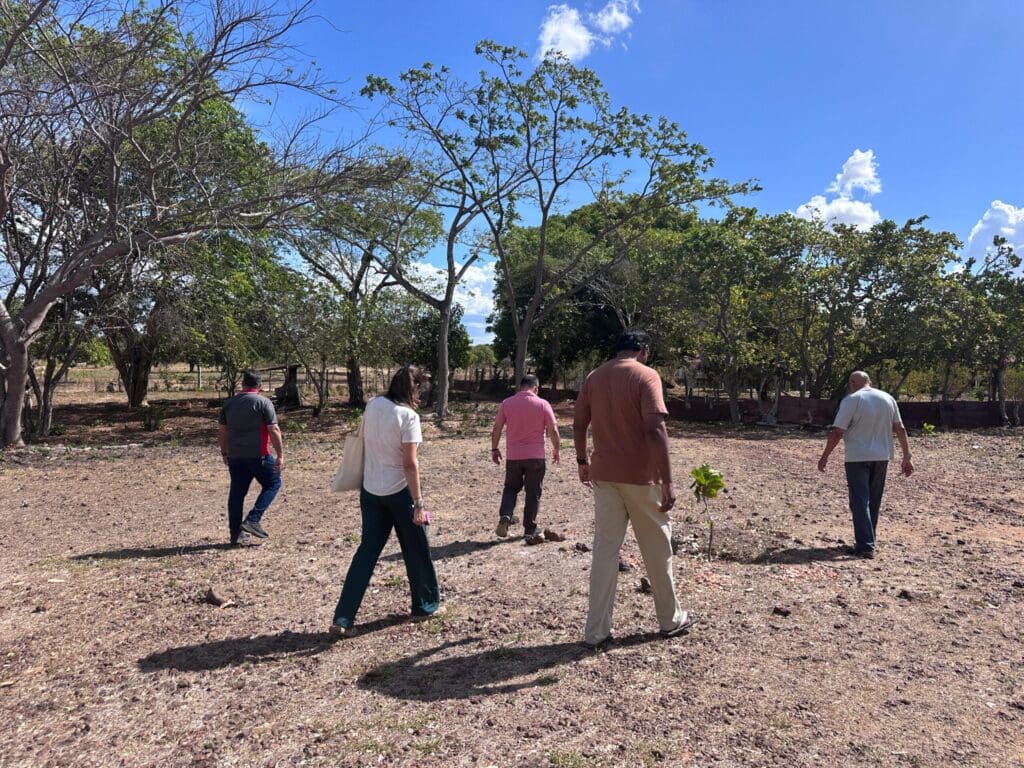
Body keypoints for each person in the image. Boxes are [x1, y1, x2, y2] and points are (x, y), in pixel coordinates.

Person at [573, 331, 698, 648]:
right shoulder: (646, 375)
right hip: (642, 478)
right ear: (642, 350)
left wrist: (581, 461)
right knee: (657, 550)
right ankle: (670, 619)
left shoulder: (594, 377)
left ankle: (596, 631)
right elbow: (655, 427)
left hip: (604, 475)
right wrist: (668, 480)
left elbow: (578, 422)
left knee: (605, 551)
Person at [330, 366, 439, 638]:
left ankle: (343, 617)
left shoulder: (374, 404)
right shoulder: (408, 417)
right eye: (420, 390)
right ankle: (424, 605)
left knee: (366, 553)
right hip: (399, 492)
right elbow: (410, 464)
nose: (421, 396)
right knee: (417, 549)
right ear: (412, 389)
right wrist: (419, 503)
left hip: (370, 490)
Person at [817, 371, 914, 558]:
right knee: (873, 500)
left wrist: (825, 456)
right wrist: (907, 456)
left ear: (852, 383)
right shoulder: (888, 398)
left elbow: (837, 432)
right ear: (869, 381)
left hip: (857, 457)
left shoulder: (851, 400)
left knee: (860, 501)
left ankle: (865, 546)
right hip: (882, 456)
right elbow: (900, 428)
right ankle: (869, 539)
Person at [490, 374, 561, 544]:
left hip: (514, 456)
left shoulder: (507, 403)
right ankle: (530, 528)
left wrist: (494, 448)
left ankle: (506, 515)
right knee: (533, 491)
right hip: (536, 456)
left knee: (510, 488)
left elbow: (497, 428)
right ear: (536, 388)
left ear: (520, 387)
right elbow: (553, 430)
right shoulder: (543, 404)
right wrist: (556, 449)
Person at [217, 370, 284, 545]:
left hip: (235, 456)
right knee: (273, 483)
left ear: (242, 385)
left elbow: (222, 430)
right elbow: (273, 429)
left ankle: (235, 535)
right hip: (259, 455)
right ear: (259, 387)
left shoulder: (229, 403)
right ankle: (253, 519)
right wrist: (280, 455)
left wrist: (224, 452)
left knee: (237, 494)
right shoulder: (263, 402)